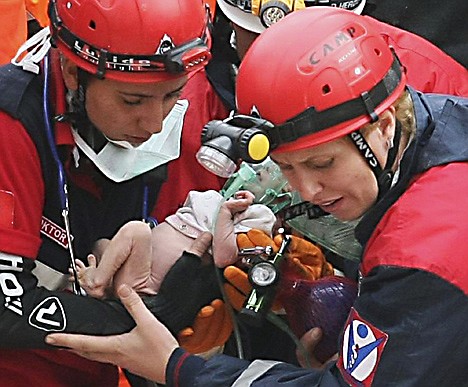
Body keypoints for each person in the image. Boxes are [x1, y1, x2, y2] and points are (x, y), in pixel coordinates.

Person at [46, 7, 468, 386]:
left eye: (322, 164)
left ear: (385, 126)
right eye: (286, 168)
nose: (307, 190)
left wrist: (177, 367)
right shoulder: (441, 117)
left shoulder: (421, 250)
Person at [0, 0, 229, 385]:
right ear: (73, 71)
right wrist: (145, 318)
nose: (155, 123)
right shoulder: (11, 122)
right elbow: (5, 309)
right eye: (133, 100)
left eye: (173, 95)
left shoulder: (141, 120)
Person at [73, 190, 276, 298]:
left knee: (137, 230)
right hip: (135, 272)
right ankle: (104, 283)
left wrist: (225, 212)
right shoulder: (216, 198)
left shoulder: (256, 217)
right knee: (102, 244)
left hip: (147, 285)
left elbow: (224, 257)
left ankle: (96, 282)